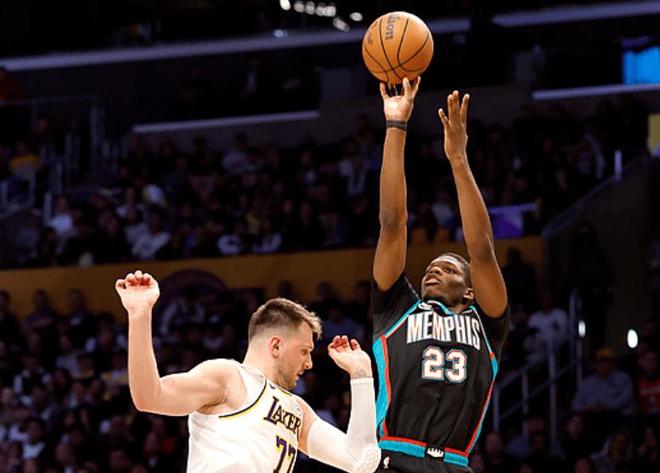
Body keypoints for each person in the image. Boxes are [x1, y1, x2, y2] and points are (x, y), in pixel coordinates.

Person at [371, 78, 509, 473]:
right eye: (431, 268)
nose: (434, 269)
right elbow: (392, 223)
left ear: (469, 291)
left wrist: (458, 160)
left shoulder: (487, 324)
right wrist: (396, 126)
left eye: (449, 269)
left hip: (455, 463)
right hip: (394, 457)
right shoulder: (396, 309)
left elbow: (482, 251)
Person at [114, 270, 380, 473]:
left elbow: (361, 461)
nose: (309, 363)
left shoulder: (297, 410)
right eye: (304, 351)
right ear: (276, 345)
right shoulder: (228, 376)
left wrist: (361, 374)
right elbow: (149, 397)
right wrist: (140, 315)